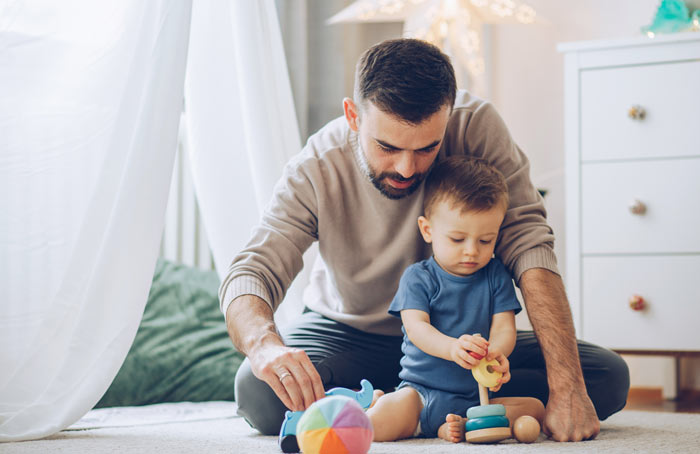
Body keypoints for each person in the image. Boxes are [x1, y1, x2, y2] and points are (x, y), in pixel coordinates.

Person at [220, 38, 629, 442]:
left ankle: (401, 406)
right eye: (387, 146)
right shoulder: (316, 167)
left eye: (427, 148)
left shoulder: (477, 126)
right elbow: (253, 270)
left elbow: (529, 242)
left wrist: (566, 383)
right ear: (353, 116)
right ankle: (415, 404)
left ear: (448, 118)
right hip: (349, 333)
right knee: (260, 395)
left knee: (603, 378)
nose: (406, 167)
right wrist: (264, 346)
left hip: (460, 344)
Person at [367, 156, 545, 442]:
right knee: (378, 425)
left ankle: (457, 426)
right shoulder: (418, 277)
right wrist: (453, 348)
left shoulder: (496, 275)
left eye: (486, 241)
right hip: (421, 394)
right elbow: (417, 329)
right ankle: (380, 406)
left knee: (535, 408)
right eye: (457, 239)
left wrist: (496, 353)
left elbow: (503, 328)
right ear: (428, 230)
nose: (472, 252)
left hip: (477, 399)